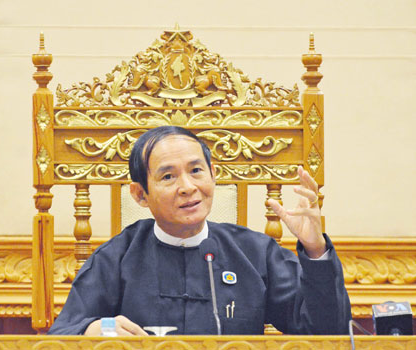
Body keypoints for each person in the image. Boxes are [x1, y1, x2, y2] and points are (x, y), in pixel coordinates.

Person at [48, 126, 351, 336]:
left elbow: (326, 334)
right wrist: (93, 330)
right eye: (168, 176)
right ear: (141, 194)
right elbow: (62, 334)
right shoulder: (116, 257)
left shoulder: (255, 253)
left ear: (213, 175)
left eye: (196, 171)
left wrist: (314, 249)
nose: (188, 188)